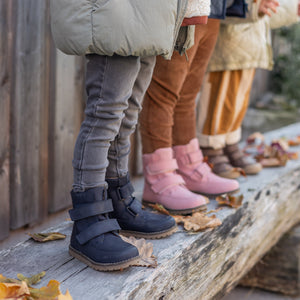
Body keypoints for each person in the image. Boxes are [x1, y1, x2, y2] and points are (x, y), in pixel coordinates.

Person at [50, 0, 211, 271]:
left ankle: (117, 200)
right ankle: (88, 219)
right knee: (105, 113)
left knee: (128, 114)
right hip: (117, 11)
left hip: (155, 11)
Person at [139, 1, 249, 216]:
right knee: (164, 94)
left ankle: (189, 167)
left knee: (188, 94)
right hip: (184, 5)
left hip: (214, 6)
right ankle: (158, 178)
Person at [197, 0, 299, 179]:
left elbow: (266, 15)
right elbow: (217, 7)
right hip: (227, 46)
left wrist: (292, 8)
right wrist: (250, 7)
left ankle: (230, 143)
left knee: (237, 104)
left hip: (250, 49)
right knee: (220, 102)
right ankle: (210, 146)